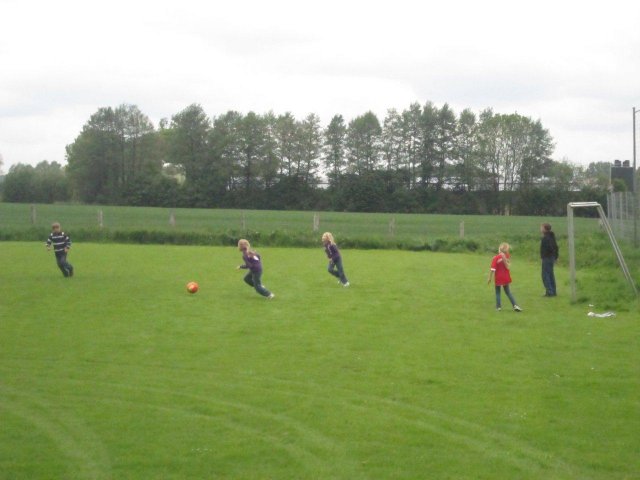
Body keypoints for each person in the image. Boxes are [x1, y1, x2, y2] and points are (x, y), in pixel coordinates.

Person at [487, 242, 522, 312]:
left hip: (498, 278)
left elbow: (492, 269)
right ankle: (515, 305)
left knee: (497, 292)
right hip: (506, 277)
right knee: (508, 292)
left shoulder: (495, 258)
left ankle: (498, 307)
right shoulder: (507, 256)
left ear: (499, 249)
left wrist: (489, 278)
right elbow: (507, 263)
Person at [540, 223, 559, 297]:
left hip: (547, 258)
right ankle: (553, 291)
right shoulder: (551, 236)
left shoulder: (546, 238)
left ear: (545, 229)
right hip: (551, 258)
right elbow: (556, 247)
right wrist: (556, 257)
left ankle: (549, 292)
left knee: (545, 275)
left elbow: (550, 248)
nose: (540, 229)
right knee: (551, 274)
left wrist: (544, 256)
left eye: (541, 227)